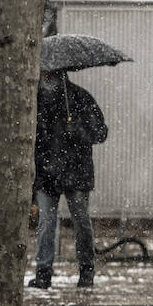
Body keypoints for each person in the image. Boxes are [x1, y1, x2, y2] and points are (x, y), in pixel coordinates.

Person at [29, 70, 107, 289]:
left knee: (80, 221)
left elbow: (100, 132)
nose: (47, 77)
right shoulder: (34, 101)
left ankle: (86, 270)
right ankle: (43, 273)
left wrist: (79, 131)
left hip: (75, 172)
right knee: (46, 224)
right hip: (47, 172)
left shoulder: (79, 98)